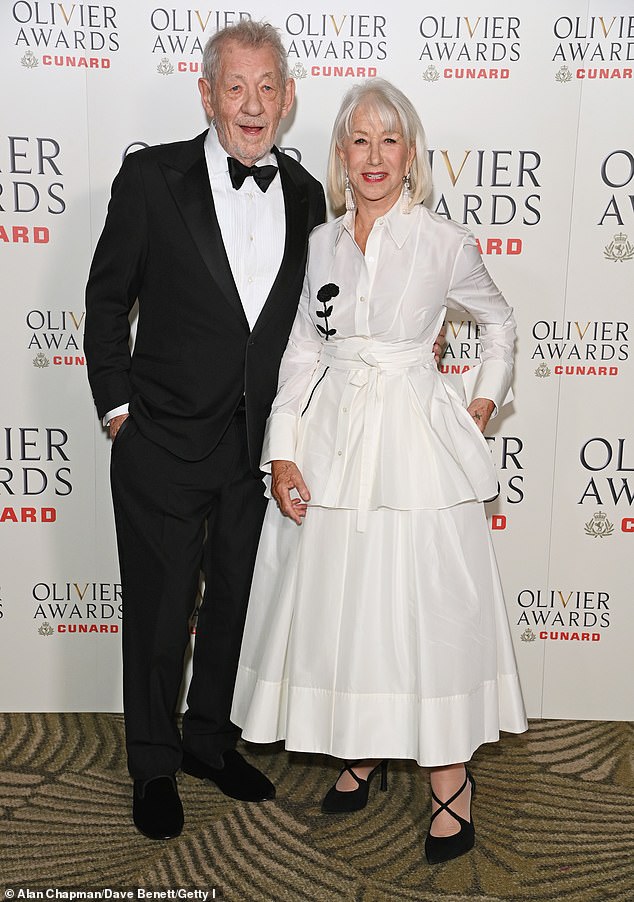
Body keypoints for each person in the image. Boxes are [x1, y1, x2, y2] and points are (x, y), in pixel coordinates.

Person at [230, 78, 528, 865]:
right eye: (358, 141)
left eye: (388, 140)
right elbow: (302, 348)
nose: (373, 156)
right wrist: (284, 446)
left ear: (410, 153)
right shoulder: (322, 243)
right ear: (339, 153)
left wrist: (482, 405)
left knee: (425, 610)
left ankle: (450, 787)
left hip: (413, 446)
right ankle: (359, 748)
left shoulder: (443, 242)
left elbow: (499, 323)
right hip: (332, 440)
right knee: (346, 603)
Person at [83, 20, 326, 840]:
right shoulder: (153, 179)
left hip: (257, 447)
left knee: (234, 604)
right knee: (157, 614)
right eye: (236, 87)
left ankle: (207, 739)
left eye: (267, 89)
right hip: (161, 442)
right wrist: (117, 408)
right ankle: (152, 764)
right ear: (207, 95)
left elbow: (314, 322)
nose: (252, 106)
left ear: (287, 98)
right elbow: (108, 296)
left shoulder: (305, 195)